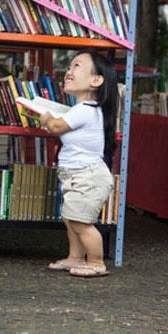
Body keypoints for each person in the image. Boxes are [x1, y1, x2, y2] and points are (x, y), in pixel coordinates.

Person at [42, 49, 117, 278]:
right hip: (78, 175)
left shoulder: (85, 110)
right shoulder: (82, 109)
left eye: (77, 66)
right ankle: (75, 257)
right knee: (71, 219)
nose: (68, 71)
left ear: (96, 81)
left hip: (88, 176)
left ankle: (96, 262)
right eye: (68, 66)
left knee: (81, 222)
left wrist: (46, 118)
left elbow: (55, 127)